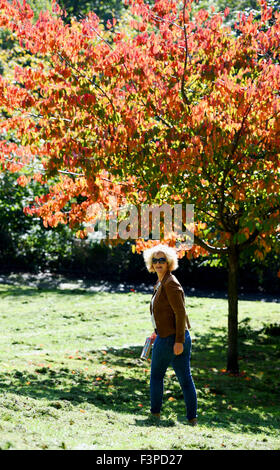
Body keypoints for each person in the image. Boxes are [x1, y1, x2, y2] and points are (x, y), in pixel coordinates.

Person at [143, 244, 198, 425]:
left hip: (172, 338)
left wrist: (179, 341)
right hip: (167, 335)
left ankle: (155, 415)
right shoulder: (161, 282)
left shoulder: (170, 283)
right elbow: (163, 313)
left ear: (169, 263)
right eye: (155, 260)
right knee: (185, 378)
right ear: (151, 263)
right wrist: (155, 331)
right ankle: (192, 420)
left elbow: (180, 313)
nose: (158, 263)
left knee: (157, 376)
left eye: (162, 260)